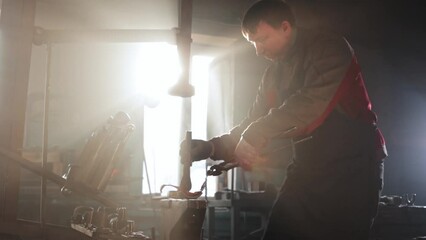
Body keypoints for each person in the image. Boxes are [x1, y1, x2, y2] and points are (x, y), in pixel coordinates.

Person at [180, 0, 387, 239]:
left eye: (263, 39)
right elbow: (253, 121)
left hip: (354, 168)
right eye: (253, 42)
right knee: (279, 232)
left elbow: (308, 104)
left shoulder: (331, 50)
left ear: (285, 27)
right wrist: (212, 147)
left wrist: (255, 133)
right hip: (308, 167)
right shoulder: (272, 76)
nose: (258, 50)